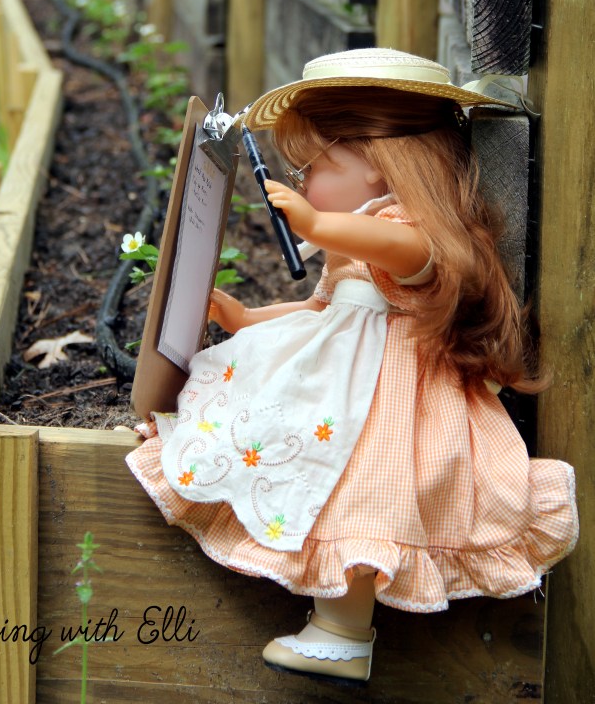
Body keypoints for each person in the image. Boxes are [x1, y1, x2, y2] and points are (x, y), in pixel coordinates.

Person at [126, 48, 578, 686]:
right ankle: (330, 619)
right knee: (300, 466)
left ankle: (341, 634)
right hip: (340, 388)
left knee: (364, 495)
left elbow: (410, 252)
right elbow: (321, 309)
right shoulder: (352, 240)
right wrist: (243, 319)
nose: (304, 184)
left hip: (389, 403)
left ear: (374, 164)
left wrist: (319, 223)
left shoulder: (411, 230)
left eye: (315, 167)